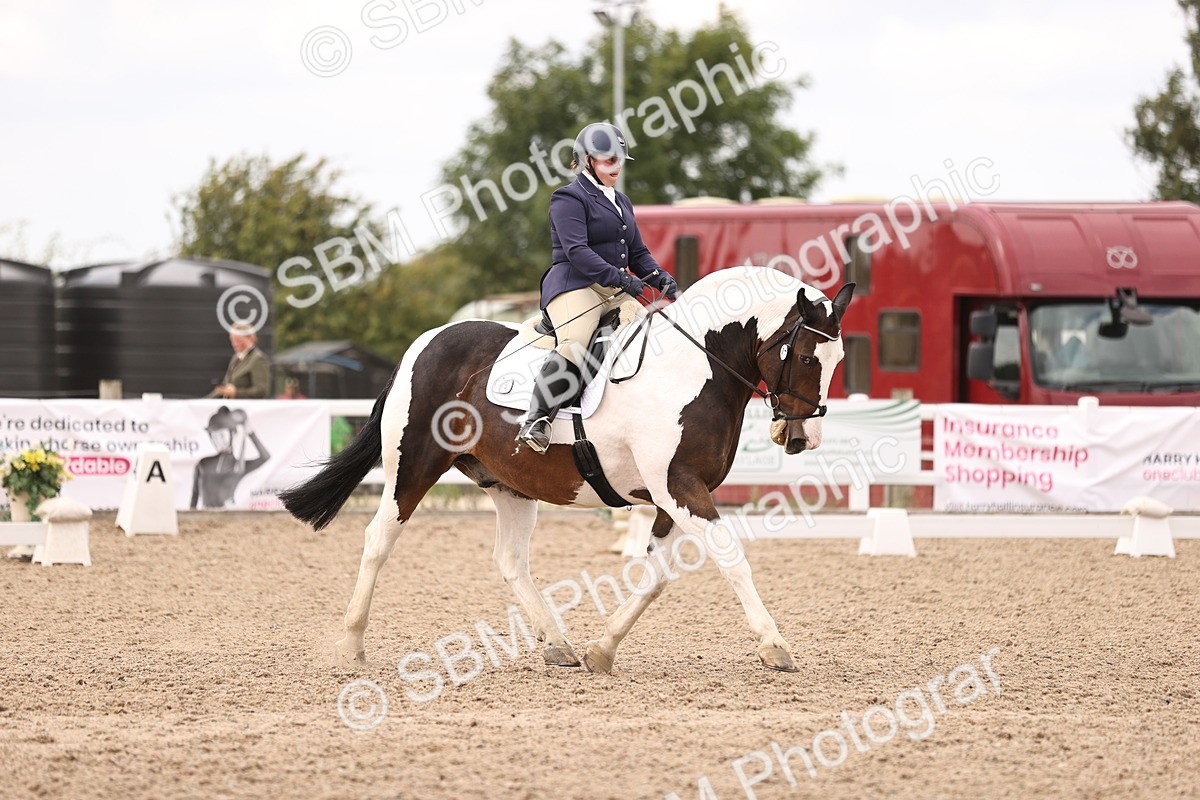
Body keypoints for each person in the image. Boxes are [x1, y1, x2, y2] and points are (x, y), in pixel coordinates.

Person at [515, 122, 679, 453]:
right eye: (609, 160)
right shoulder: (568, 197)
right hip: (575, 284)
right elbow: (577, 251)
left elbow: (637, 253)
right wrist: (621, 278)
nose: (617, 167)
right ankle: (536, 419)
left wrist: (659, 276)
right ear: (587, 160)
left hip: (614, 290)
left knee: (651, 336)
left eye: (620, 160)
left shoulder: (622, 201)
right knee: (576, 342)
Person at [207, 323, 271, 399]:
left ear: (250, 338)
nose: (234, 344)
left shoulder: (258, 359)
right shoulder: (236, 358)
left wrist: (236, 393)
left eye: (238, 340)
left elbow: (261, 391)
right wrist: (203, 402)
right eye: (232, 340)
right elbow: (224, 387)